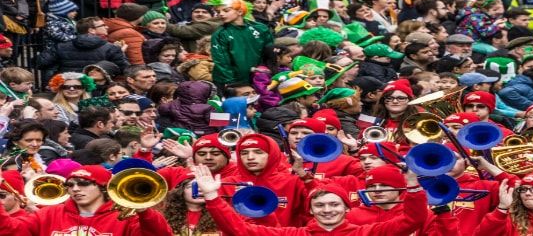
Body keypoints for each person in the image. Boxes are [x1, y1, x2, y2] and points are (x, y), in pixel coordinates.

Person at [191, 160, 429, 235]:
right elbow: (240, 229)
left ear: (347, 208)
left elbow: (412, 221)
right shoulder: (294, 234)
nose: (327, 210)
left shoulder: (365, 232)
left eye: (334, 204)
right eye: (320, 205)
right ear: (311, 210)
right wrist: (212, 196)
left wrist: (412, 185)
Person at [0, 165, 173, 235]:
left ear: (103, 188)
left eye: (83, 184)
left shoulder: (126, 217)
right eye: (70, 184)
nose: (75, 189)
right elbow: (9, 230)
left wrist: (144, 212)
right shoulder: (49, 213)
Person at [209, 0, 274, 86]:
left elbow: (269, 54)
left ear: (240, 11)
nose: (221, 14)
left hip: (259, 79)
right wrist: (232, 84)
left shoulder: (261, 29)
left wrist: (267, 72)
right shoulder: (220, 34)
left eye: (226, 10)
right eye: (218, 12)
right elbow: (222, 63)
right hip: (232, 83)